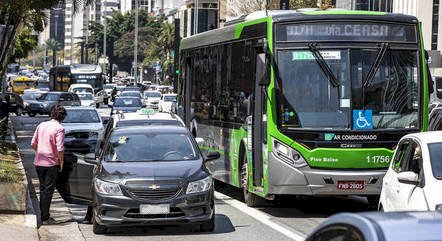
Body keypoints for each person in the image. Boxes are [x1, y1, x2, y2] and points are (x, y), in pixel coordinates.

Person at [31, 104, 66, 224]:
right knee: (48, 191)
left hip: (39, 162)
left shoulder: (41, 125)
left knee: (42, 189)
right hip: (51, 164)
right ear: (62, 117)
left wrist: (40, 153)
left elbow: (33, 143)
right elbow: (60, 148)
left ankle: (43, 215)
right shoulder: (59, 129)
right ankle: (45, 217)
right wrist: (61, 162)